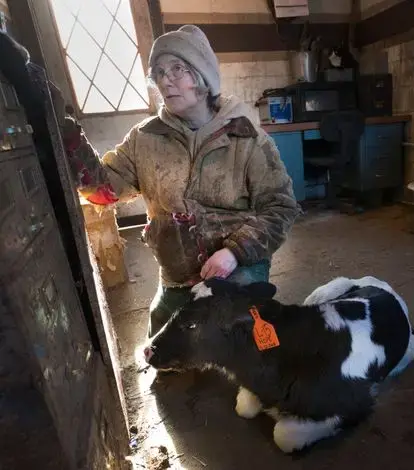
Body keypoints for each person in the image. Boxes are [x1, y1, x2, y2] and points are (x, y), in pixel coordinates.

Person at [61, 25, 299, 337]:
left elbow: (281, 208)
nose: (165, 80)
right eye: (158, 72)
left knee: (244, 340)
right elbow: (106, 189)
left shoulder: (246, 138)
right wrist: (68, 139)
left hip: (238, 268)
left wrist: (234, 252)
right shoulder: (144, 138)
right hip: (176, 273)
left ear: (203, 78)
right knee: (162, 347)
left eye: (178, 69)